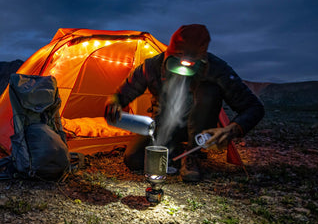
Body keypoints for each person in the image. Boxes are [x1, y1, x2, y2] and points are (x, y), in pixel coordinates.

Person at [104, 24, 265, 182]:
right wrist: (115, 102)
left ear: (201, 58)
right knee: (134, 159)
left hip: (199, 125)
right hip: (163, 124)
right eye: (177, 59)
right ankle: (175, 151)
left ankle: (191, 153)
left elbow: (254, 107)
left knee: (208, 90)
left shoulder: (217, 70)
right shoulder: (151, 67)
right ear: (169, 54)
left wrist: (232, 129)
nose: (183, 67)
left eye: (191, 62)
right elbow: (123, 92)